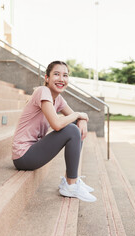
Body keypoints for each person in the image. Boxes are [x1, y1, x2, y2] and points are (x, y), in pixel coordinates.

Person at [12, 60, 96, 202]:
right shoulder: (42, 91)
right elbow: (57, 125)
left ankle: (69, 180)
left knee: (74, 126)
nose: (61, 79)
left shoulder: (58, 99)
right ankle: (71, 184)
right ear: (47, 78)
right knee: (71, 129)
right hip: (24, 156)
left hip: (34, 151)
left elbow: (75, 118)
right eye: (56, 74)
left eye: (65, 75)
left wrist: (81, 119)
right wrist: (78, 115)